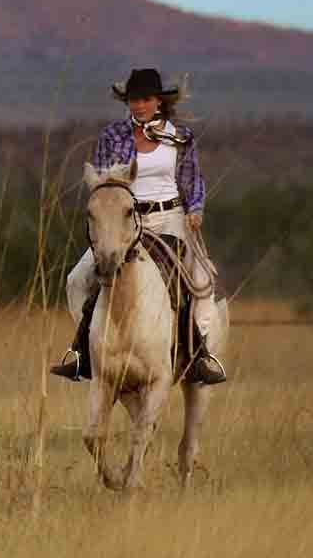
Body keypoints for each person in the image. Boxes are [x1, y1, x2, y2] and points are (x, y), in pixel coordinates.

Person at [50, 67, 227, 384]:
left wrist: (195, 210)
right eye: (133, 99)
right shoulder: (112, 136)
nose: (138, 105)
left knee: (200, 285)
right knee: (77, 280)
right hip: (124, 223)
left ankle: (201, 357)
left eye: (144, 99)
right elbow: (103, 185)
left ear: (158, 101)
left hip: (169, 219)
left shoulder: (180, 137)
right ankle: (86, 352)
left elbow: (192, 180)